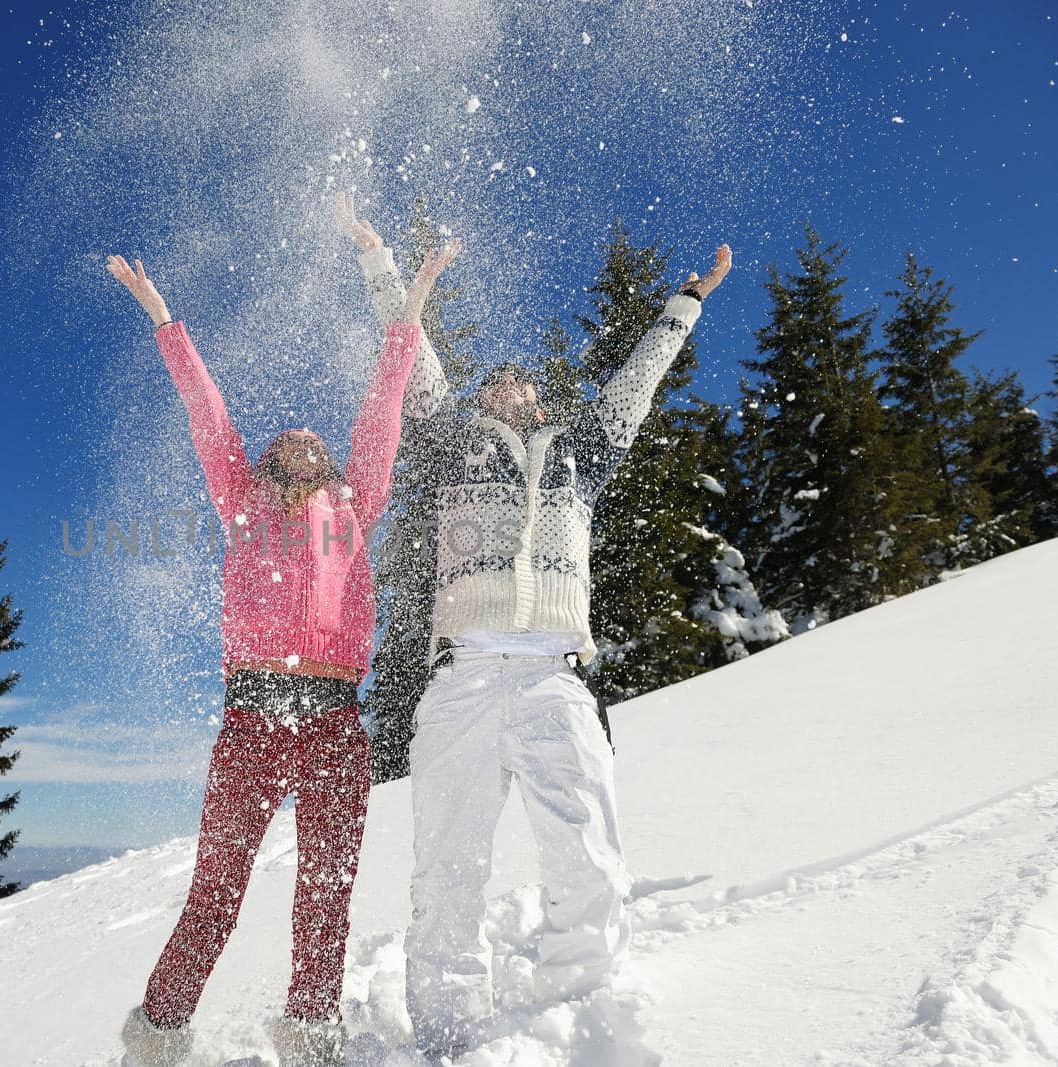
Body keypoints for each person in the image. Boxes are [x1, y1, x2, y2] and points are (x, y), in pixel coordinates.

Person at [340, 196, 731, 1057]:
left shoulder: (580, 454)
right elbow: (412, 352)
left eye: (518, 380)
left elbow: (636, 382)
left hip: (556, 674)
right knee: (448, 869)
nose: (504, 385)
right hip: (463, 679)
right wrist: (379, 261)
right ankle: (445, 1034)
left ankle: (581, 1010)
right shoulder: (450, 441)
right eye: (493, 380)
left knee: (588, 850)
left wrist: (687, 303)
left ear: (539, 397)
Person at [107, 233, 461, 1067]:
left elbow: (384, 402)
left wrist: (414, 302)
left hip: (337, 719)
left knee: (326, 891)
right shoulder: (241, 499)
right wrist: (161, 315)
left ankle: (312, 1038)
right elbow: (207, 408)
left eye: (313, 437)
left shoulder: (355, 500)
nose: (304, 436)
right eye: (289, 436)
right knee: (218, 890)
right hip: (254, 719)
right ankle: (156, 1036)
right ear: (269, 460)